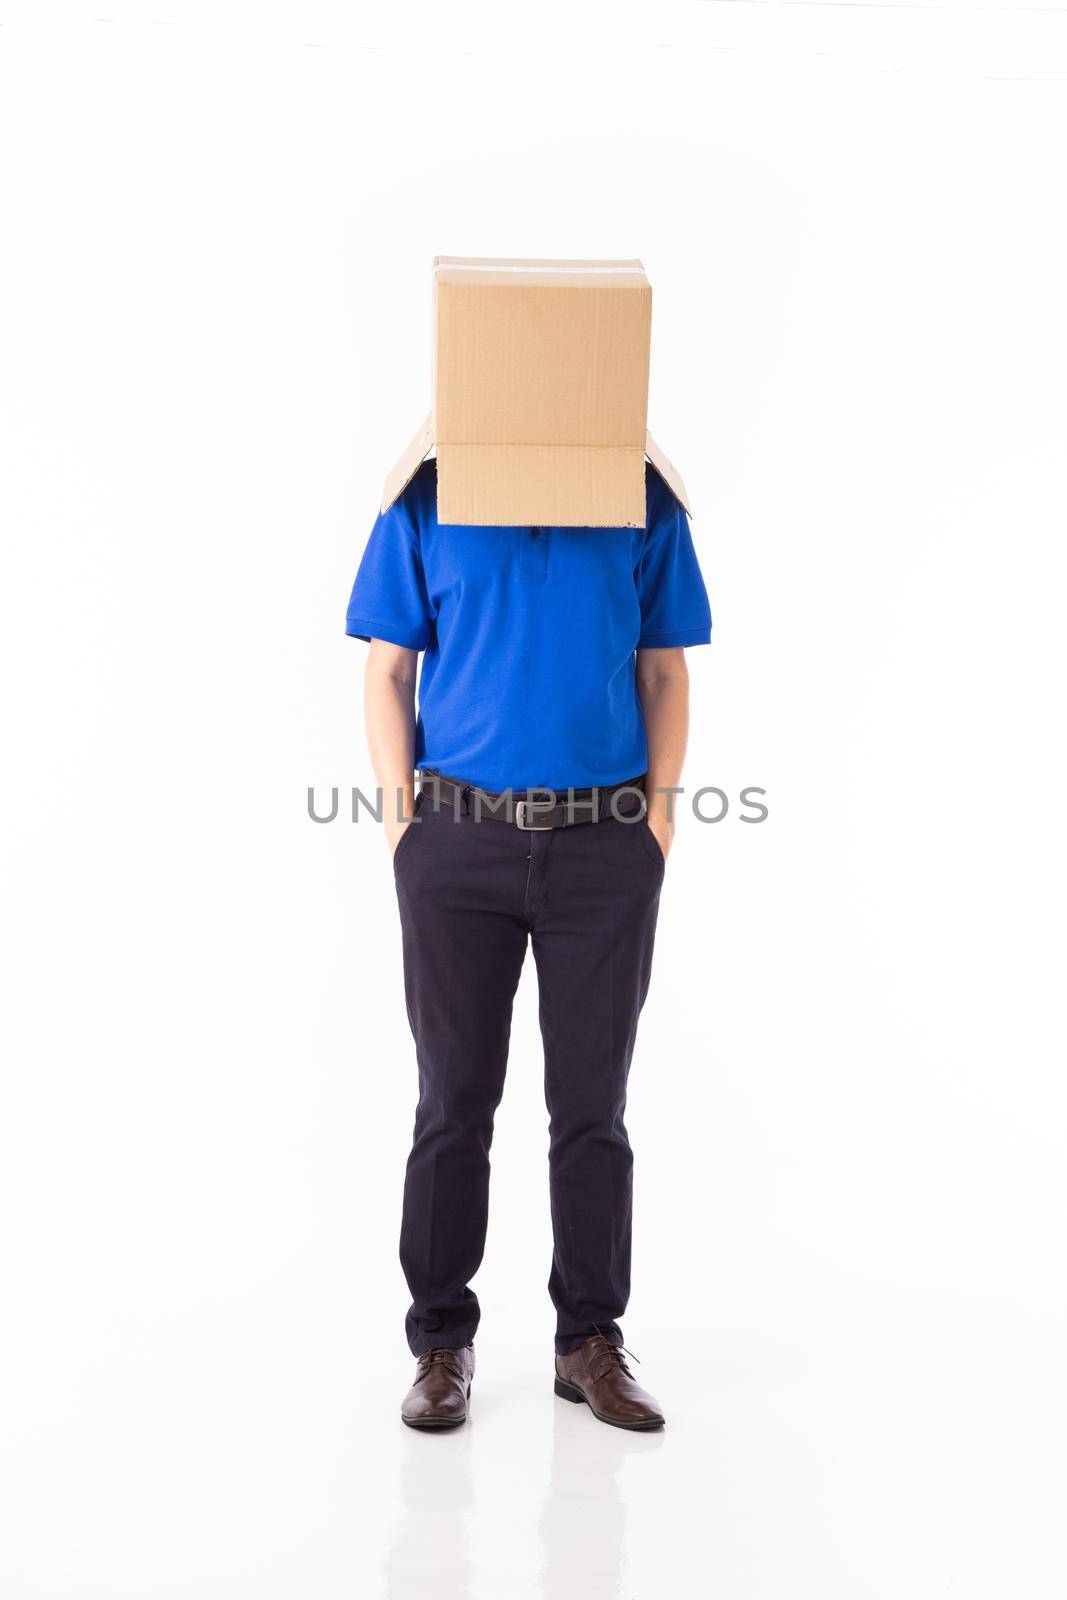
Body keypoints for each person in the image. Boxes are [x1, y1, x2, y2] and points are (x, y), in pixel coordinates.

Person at [346, 459, 711, 1431]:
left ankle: (586, 1338)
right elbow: (386, 669)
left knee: (592, 1105)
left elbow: (665, 667)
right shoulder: (424, 498)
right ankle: (438, 1340)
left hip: (604, 844)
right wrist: (404, 833)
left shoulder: (641, 498)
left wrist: (655, 829)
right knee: (452, 1098)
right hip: (455, 841)